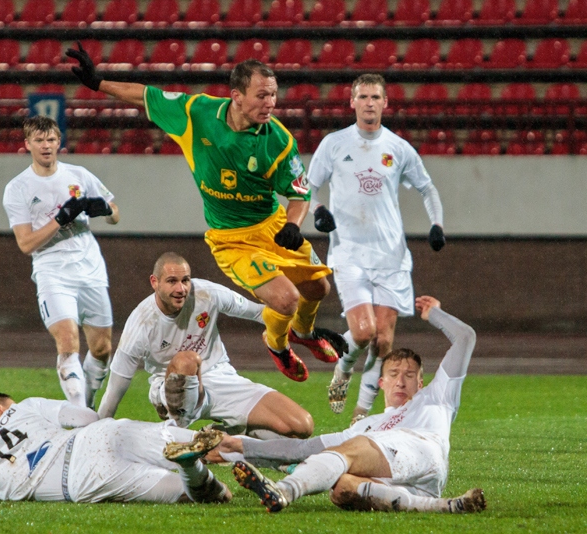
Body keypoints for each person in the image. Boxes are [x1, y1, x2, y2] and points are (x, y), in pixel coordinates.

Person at [66, 43, 346, 383]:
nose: (270, 103)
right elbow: (146, 96)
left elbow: (298, 193)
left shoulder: (278, 140)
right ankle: (277, 344)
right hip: (231, 239)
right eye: (261, 95)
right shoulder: (197, 113)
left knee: (319, 288)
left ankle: (303, 332)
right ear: (237, 96)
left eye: (273, 95)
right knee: (286, 300)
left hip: (271, 225)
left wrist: (291, 223)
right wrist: (98, 83)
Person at [169, 296, 485, 514]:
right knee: (341, 488)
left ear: (421, 383)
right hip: (400, 478)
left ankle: (285, 490)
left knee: (348, 451)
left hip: (423, 454)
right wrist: (235, 444)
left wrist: (435, 314)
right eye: (394, 374)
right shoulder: (368, 425)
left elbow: (466, 338)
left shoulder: (437, 399)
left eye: (410, 375)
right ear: (381, 383)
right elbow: (303, 449)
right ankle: (441, 506)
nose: (402, 381)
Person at [306, 73, 446, 423]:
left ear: (385, 103)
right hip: (350, 253)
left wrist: (437, 225)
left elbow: (427, 188)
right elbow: (307, 187)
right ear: (352, 102)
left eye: (375, 97)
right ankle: (344, 365)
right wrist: (318, 210)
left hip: (392, 257)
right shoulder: (335, 144)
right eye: (363, 97)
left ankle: (362, 412)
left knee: (383, 341)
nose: (369, 103)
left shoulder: (398, 148)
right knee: (364, 332)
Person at [97, 252, 314, 439]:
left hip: (221, 378)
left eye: (185, 280)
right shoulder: (142, 322)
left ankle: (220, 437)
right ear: (154, 282)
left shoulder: (207, 293)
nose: (181, 288)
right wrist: (97, 433)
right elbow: (115, 389)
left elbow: (260, 313)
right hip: (169, 388)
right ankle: (178, 433)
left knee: (300, 427)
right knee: (187, 361)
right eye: (172, 281)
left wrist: (303, 331)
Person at [0, 392, 231, 504]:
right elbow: (87, 416)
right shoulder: (26, 407)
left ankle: (189, 467)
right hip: (98, 436)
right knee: (203, 442)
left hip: (81, 479)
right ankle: (267, 454)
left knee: (210, 497)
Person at [2, 116, 120, 409]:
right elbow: (25, 243)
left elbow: (116, 213)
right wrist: (60, 219)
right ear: (27, 144)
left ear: (59, 142)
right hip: (53, 271)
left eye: (51, 140)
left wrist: (103, 208)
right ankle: (79, 412)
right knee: (68, 342)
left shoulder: (78, 174)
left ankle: (87, 406)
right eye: (39, 141)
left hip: (90, 269)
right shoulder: (18, 188)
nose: (46, 146)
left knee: (103, 348)